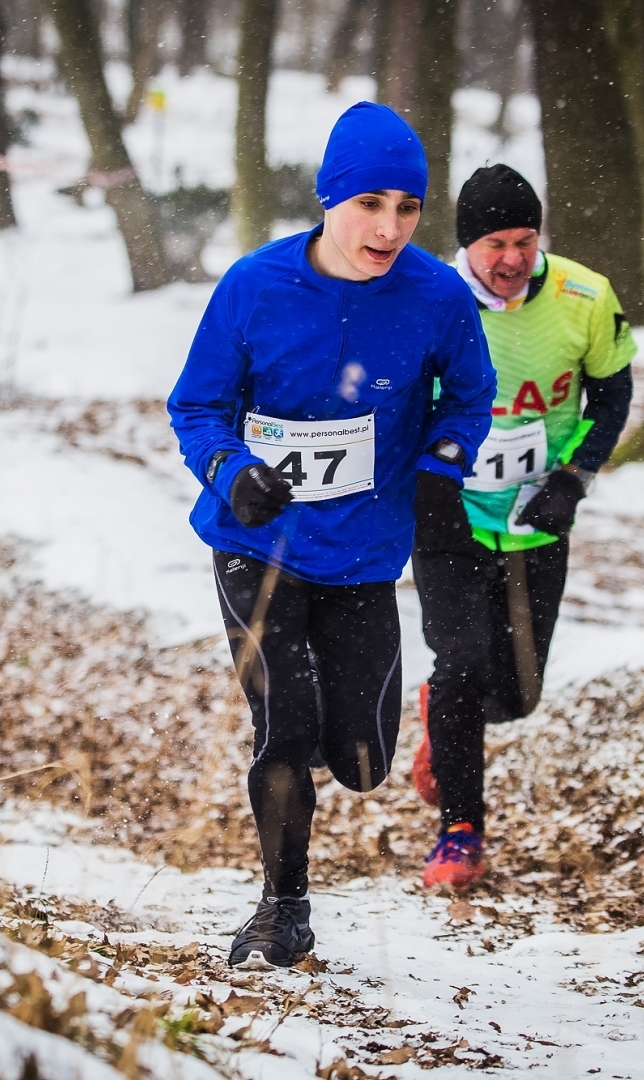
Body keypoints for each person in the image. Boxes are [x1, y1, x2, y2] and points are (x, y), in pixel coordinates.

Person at [167, 102, 495, 969]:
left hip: (364, 551)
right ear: (327, 199)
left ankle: (350, 744)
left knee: (359, 758)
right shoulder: (254, 286)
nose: (388, 227)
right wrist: (231, 470)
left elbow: (468, 397)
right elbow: (196, 405)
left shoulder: (435, 296)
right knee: (283, 723)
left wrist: (441, 468)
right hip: (258, 547)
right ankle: (284, 907)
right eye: (369, 204)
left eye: (408, 207)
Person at [410, 164, 636, 891]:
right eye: (495, 243)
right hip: (452, 513)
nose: (511, 258)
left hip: (539, 514)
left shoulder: (584, 296)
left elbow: (613, 390)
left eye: (525, 240)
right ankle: (460, 831)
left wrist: (573, 480)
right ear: (466, 246)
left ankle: (441, 715)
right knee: (463, 664)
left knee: (517, 692)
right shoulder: (426, 299)